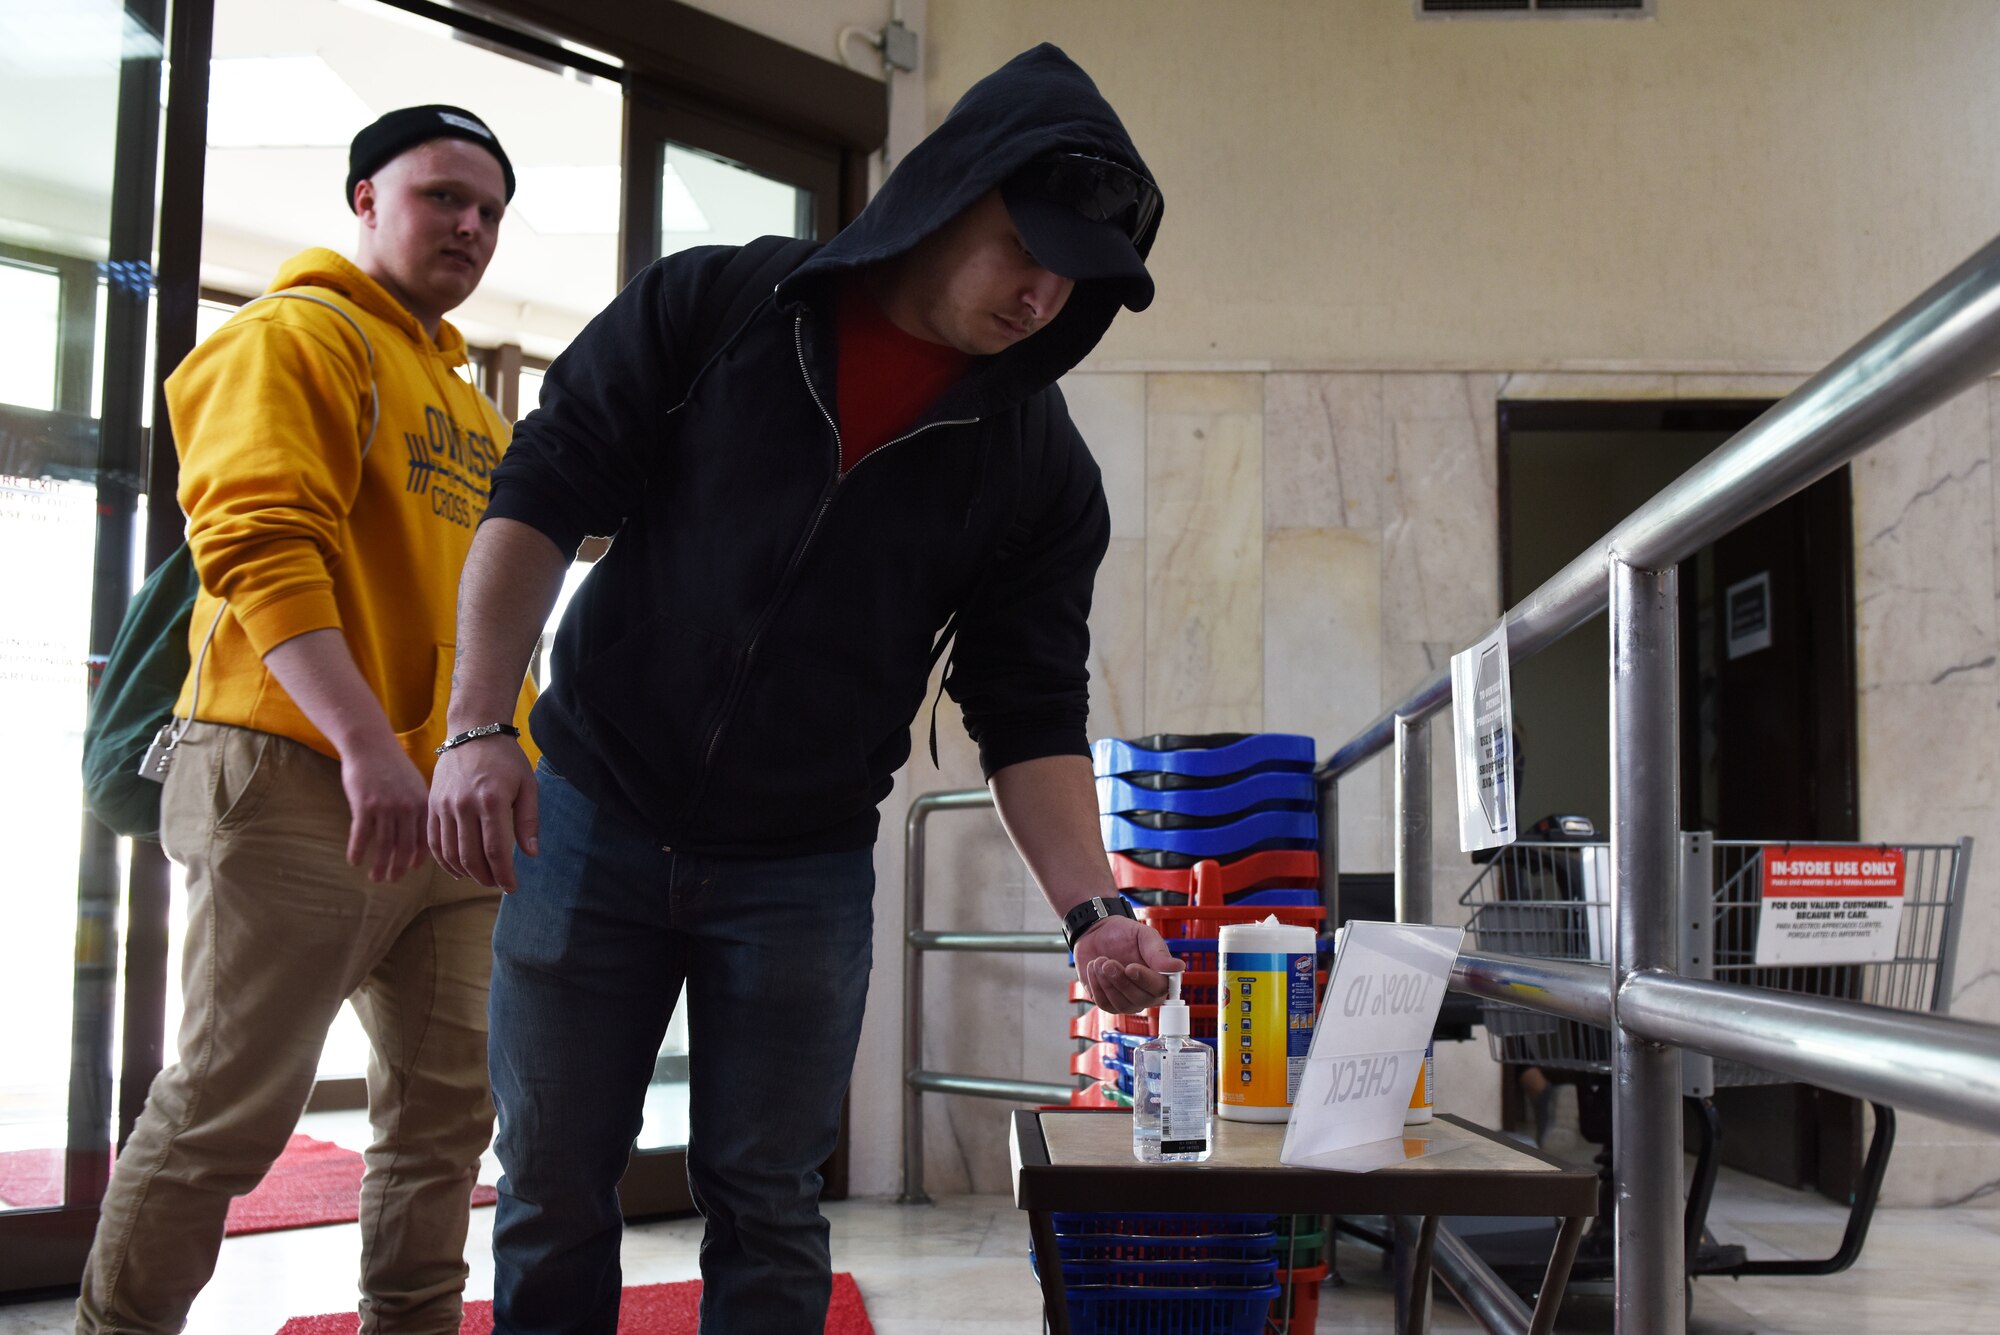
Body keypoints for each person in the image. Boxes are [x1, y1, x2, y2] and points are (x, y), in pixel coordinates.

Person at [428, 44, 1173, 1334]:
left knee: (767, 1196)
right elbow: (538, 499)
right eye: (1024, 245)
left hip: (800, 863)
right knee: (550, 1183)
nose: (1043, 292)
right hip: (592, 812)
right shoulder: (718, 307)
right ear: (947, 195)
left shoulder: (1040, 474)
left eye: (1076, 275)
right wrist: (478, 726)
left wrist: (1092, 907)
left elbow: (1031, 709)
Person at [77, 105, 535, 1334]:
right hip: (299, 772)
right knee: (225, 1111)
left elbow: (493, 613)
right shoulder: (293, 338)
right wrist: (367, 745)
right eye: (442, 195)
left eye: (488, 210)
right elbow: (257, 547)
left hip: (443, 812)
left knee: (444, 1129)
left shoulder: (475, 412)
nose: (470, 226)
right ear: (363, 200)